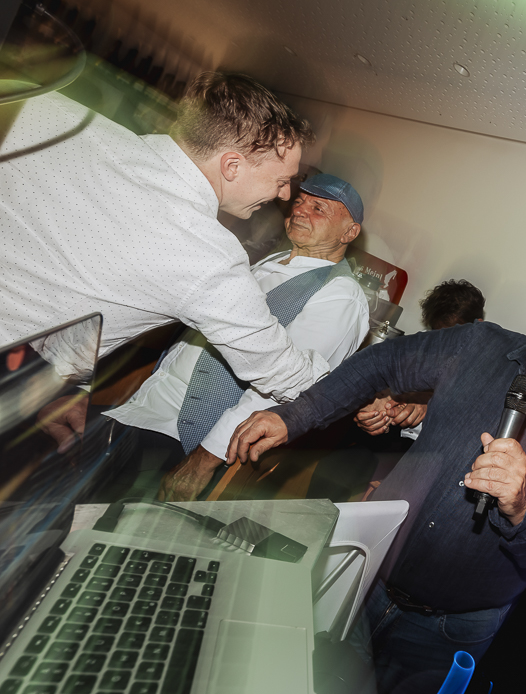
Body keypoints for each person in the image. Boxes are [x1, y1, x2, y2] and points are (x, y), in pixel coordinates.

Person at [228, 256, 526, 694]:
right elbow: (380, 363)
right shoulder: (477, 344)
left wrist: (524, 507)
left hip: (449, 633)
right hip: (364, 580)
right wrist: (296, 415)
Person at [0, 71, 325, 450]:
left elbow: (63, 277)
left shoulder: (54, 113)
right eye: (282, 181)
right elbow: (286, 374)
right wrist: (372, 389)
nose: (285, 195)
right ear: (232, 167)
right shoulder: (206, 255)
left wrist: (65, 387)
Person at [103, 174, 368, 502]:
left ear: (349, 232)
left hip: (183, 434)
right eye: (299, 202)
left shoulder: (341, 295)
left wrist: (203, 460)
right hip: (143, 406)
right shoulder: (272, 261)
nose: (300, 210)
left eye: (318, 208)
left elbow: (287, 392)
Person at [355, 278, 486, 438]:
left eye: (454, 335)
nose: (444, 342)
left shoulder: (487, 365)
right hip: (398, 437)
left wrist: (427, 402)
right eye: (438, 333)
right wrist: (380, 409)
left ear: (478, 325)